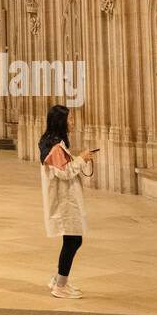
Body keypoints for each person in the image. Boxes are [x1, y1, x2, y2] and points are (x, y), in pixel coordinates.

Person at [39, 104, 94, 299]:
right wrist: (82, 159)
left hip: (66, 200)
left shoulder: (54, 143)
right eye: (69, 119)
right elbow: (64, 172)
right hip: (64, 203)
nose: (72, 122)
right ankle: (60, 285)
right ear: (60, 122)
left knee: (72, 240)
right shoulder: (54, 146)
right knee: (73, 240)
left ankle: (59, 279)